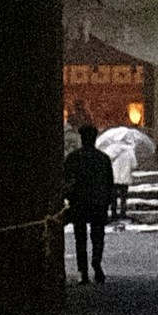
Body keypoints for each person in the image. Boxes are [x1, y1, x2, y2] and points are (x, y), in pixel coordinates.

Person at [63, 118, 117, 281]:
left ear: (81, 138)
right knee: (98, 235)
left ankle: (83, 270)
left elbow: (67, 181)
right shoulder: (103, 159)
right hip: (98, 202)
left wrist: (67, 198)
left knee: (80, 238)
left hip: (79, 202)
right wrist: (109, 202)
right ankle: (96, 260)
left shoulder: (73, 158)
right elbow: (110, 183)